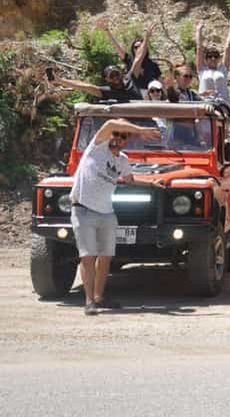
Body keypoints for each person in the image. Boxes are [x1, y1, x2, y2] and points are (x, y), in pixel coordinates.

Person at [69, 119, 164, 315]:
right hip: (83, 209)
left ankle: (99, 297)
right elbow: (112, 123)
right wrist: (140, 130)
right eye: (117, 135)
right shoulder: (97, 147)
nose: (118, 139)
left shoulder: (122, 160)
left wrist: (152, 184)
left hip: (106, 212)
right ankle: (88, 302)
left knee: (105, 257)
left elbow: (130, 180)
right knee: (87, 256)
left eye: (124, 137)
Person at [97, 18, 162, 96]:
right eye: (136, 47)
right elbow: (117, 47)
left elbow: (161, 82)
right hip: (134, 94)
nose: (138, 49)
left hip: (152, 95)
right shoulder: (129, 59)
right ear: (132, 49)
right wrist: (107, 31)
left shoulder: (152, 64)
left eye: (140, 46)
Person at [51, 65, 142, 103]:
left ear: (121, 73)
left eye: (116, 74)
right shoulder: (107, 91)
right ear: (107, 79)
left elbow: (138, 58)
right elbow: (86, 87)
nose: (115, 77)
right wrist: (61, 81)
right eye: (112, 76)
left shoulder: (131, 79)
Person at [196, 21, 230, 103]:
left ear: (219, 59)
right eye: (210, 56)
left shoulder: (222, 69)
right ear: (206, 59)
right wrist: (199, 30)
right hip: (205, 103)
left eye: (216, 56)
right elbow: (199, 48)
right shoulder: (202, 70)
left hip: (222, 103)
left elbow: (227, 49)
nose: (213, 58)